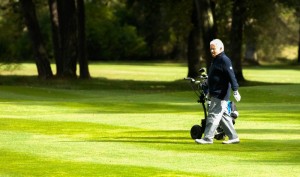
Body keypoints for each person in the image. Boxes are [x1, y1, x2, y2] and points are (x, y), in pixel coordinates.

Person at [195, 39, 241, 144]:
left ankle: (208, 138)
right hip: (215, 92)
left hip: (220, 93)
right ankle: (234, 137)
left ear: (221, 48)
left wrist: (235, 90)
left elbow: (231, 76)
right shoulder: (216, 59)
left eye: (213, 49)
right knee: (223, 116)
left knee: (213, 115)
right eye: (210, 49)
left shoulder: (224, 60)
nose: (211, 51)